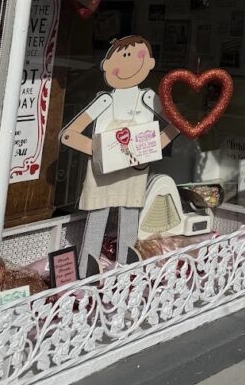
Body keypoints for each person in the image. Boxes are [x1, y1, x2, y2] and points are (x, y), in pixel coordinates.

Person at [61, 35, 180, 276]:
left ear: (150, 64)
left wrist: (151, 147)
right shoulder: (105, 100)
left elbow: (175, 126)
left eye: (137, 57)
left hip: (134, 171)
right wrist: (101, 150)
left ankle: (129, 270)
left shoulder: (148, 99)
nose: (129, 64)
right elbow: (68, 135)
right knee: (98, 214)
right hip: (101, 172)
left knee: (129, 216)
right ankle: (87, 270)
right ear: (106, 66)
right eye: (121, 57)